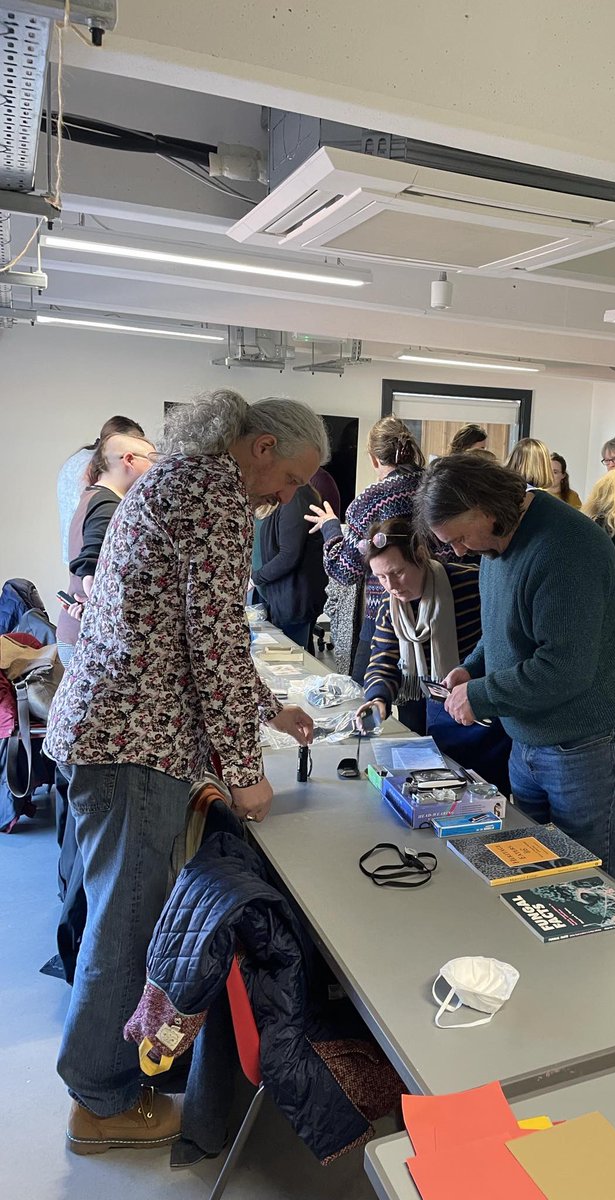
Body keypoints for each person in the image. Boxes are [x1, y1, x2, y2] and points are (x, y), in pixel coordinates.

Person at [44, 389, 324, 1156]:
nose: (289, 496)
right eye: (292, 478)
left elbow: (192, 637)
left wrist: (267, 711)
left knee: (125, 913)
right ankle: (99, 1102)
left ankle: (111, 1076)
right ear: (261, 447)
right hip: (133, 746)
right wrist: (245, 771)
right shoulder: (213, 496)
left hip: (120, 733)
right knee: (128, 923)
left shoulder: (182, 482)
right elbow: (213, 644)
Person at [417, 454, 615, 882]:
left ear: (486, 509)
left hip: (590, 742)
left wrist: (483, 696)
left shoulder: (564, 549)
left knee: (588, 881)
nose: (458, 551)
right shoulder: (497, 538)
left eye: (459, 538)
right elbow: (506, 627)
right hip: (528, 737)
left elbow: (563, 667)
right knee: (533, 874)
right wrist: (472, 669)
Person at [354, 518, 511, 790]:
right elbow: (383, 657)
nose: (390, 585)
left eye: (398, 572)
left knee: (487, 789)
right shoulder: (389, 603)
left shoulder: (469, 583)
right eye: (380, 577)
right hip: (429, 709)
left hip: (481, 712)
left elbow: (498, 640)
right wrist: (378, 699)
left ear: (420, 555)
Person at [305, 416, 428, 684]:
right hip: (436, 611)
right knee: (423, 706)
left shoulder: (370, 501)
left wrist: (330, 528)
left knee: (364, 696)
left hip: (383, 613)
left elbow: (343, 571)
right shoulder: (436, 488)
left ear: (374, 459)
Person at [56, 433, 158, 667]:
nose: (155, 470)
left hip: (73, 633)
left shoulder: (93, 495)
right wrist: (96, 601)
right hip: (83, 637)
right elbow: (90, 565)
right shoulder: (108, 505)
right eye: (152, 461)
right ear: (130, 460)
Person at [56, 416, 145, 565]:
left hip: (74, 550)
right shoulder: (99, 473)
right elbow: (98, 518)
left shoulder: (77, 458)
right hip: (92, 553)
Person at [255, 482, 328, 650]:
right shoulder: (273, 493)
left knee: (290, 663)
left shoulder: (297, 496)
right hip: (270, 595)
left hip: (291, 600)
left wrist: (255, 578)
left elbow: (289, 555)